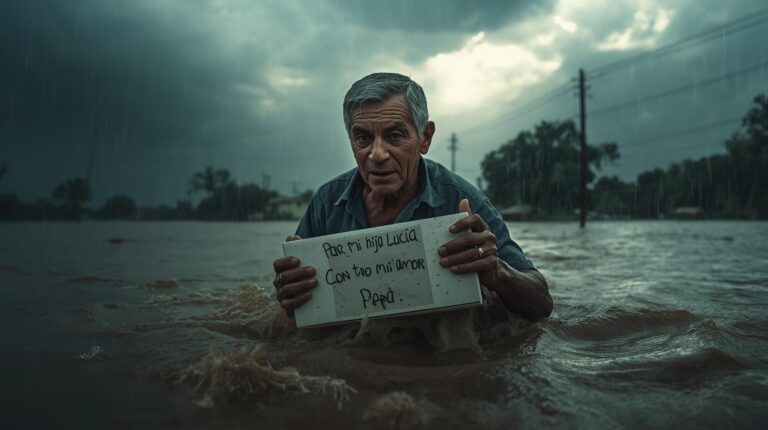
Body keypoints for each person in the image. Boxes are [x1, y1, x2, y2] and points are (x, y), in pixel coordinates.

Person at [272, 72, 552, 322]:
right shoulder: (327, 201)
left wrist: (497, 272)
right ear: (351, 140)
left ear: (425, 138)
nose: (377, 155)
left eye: (395, 136)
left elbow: (542, 303)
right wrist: (290, 293)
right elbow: (296, 305)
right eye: (363, 138)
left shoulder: (461, 202)